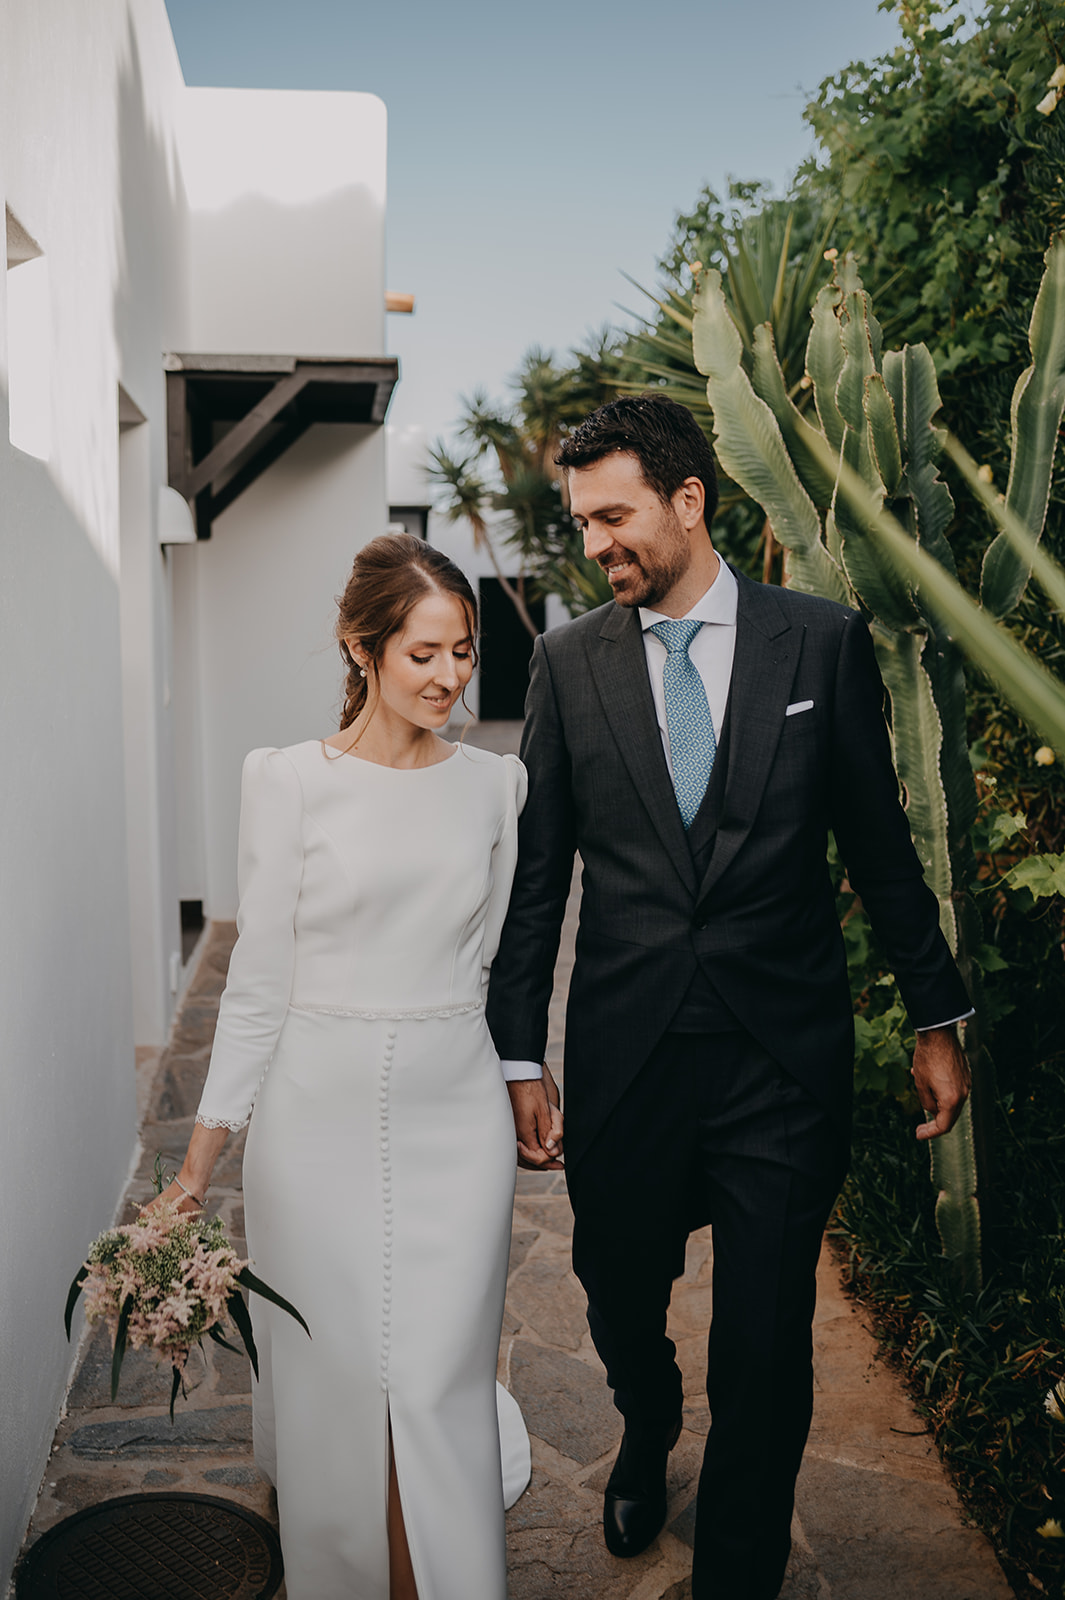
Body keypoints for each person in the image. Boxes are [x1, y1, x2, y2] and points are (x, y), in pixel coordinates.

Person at [486, 396, 972, 1600]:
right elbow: (539, 877)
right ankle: (648, 1428)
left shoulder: (820, 644)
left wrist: (933, 1013)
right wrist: (518, 1055)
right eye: (583, 522)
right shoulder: (567, 663)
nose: (597, 545)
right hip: (631, 1054)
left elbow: (879, 843)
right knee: (616, 1298)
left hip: (779, 1061)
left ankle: (738, 1572)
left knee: (763, 1350)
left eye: (614, 516)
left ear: (688, 499)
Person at [154, 533, 561, 1600]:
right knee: (336, 1378)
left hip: (454, 1111)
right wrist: (199, 1166)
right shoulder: (286, 782)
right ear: (362, 646)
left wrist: (505, 1069)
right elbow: (257, 984)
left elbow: (488, 958)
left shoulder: (496, 787)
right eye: (425, 653)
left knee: (433, 1377)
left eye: (464, 652)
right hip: (314, 1117)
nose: (450, 677)